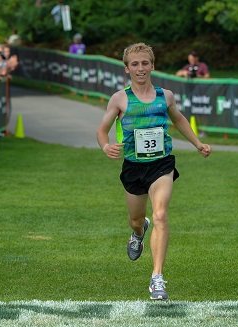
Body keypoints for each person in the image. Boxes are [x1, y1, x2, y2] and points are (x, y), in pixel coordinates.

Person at [96, 43, 212, 300]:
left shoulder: (165, 95)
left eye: (145, 63)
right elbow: (101, 130)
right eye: (135, 64)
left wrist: (198, 144)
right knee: (137, 219)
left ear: (152, 65)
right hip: (134, 167)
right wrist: (106, 146)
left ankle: (157, 278)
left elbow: (179, 119)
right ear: (127, 69)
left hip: (162, 164)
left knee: (160, 214)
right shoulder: (119, 99)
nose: (140, 68)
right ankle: (138, 233)